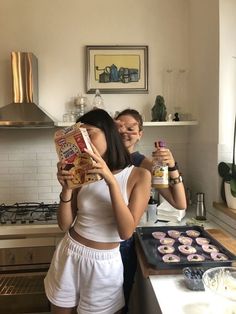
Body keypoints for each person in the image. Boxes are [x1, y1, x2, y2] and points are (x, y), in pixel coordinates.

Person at [44, 109, 151, 314]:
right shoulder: (82, 171)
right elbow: (65, 225)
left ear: (108, 133)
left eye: (89, 134)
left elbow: (126, 232)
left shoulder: (139, 176)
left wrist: (110, 180)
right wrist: (67, 188)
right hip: (70, 252)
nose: (83, 143)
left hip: (103, 265)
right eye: (79, 137)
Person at [115, 108, 187, 313]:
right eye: (119, 127)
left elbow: (179, 202)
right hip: (94, 243)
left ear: (140, 134)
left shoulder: (144, 164)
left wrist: (172, 166)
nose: (124, 132)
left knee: (120, 299)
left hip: (123, 245)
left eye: (131, 128)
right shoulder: (102, 158)